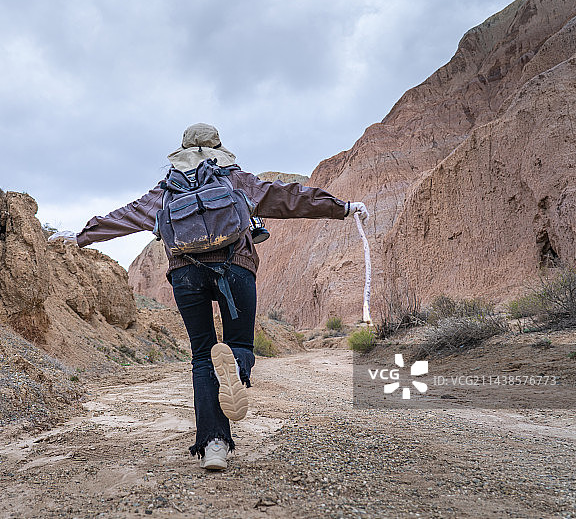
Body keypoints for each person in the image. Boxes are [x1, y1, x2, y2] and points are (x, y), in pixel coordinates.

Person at [49, 123, 368, 470]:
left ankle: (214, 444)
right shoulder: (233, 179)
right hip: (235, 267)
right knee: (239, 345)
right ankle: (236, 368)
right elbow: (289, 198)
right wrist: (343, 207)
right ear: (218, 147)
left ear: (181, 151)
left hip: (186, 273)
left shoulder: (166, 191)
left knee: (203, 356)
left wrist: (79, 236)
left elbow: (124, 216)